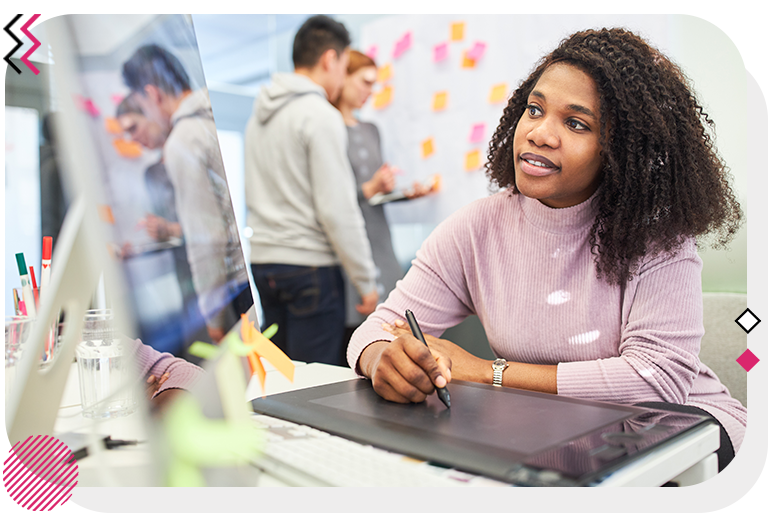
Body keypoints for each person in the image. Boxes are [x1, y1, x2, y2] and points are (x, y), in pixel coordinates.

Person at [348, 28, 745, 471]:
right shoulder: (477, 227)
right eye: (534, 110)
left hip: (683, 434)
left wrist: (486, 373)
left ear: (620, 149)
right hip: (556, 431)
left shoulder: (657, 237)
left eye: (576, 123)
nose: (539, 133)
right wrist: (382, 357)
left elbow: (656, 383)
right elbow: (377, 329)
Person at [244, 15, 378, 366]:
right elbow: (337, 209)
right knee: (314, 382)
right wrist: (366, 281)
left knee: (278, 372)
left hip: (264, 262)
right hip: (310, 267)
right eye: (345, 65)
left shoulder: (258, 116)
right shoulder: (319, 115)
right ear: (330, 59)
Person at [122, 44, 251, 345]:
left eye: (142, 105)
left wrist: (212, 316)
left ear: (152, 94)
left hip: (236, 287)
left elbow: (207, 237)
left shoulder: (183, 139)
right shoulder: (210, 120)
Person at [332, 49, 436, 358]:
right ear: (342, 75)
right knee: (347, 332)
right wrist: (369, 188)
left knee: (387, 324)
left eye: (374, 84)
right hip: (346, 241)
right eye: (364, 81)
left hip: (379, 236)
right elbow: (328, 199)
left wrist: (401, 192)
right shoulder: (327, 127)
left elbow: (371, 193)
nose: (369, 91)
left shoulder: (371, 130)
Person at [115, 93, 208, 360]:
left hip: (213, 277)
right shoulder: (152, 173)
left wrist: (172, 229)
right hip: (184, 279)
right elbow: (170, 230)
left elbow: (211, 226)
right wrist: (151, 237)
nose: (133, 138)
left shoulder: (191, 148)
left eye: (134, 127)